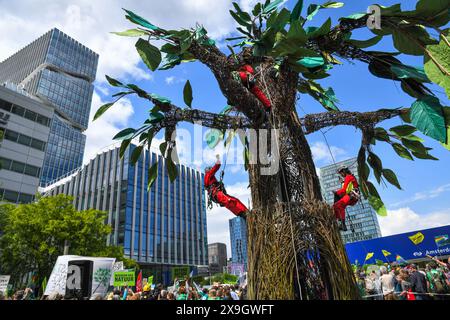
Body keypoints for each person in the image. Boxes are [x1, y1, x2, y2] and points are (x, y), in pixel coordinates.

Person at [333, 166, 360, 231]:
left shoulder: (348, 177)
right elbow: (348, 187)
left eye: (341, 173)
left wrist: (336, 192)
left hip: (352, 195)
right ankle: (341, 223)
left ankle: (342, 223)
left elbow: (344, 190)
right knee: (337, 206)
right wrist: (343, 182)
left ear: (344, 171)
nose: (341, 175)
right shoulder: (350, 177)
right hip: (352, 197)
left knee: (337, 205)